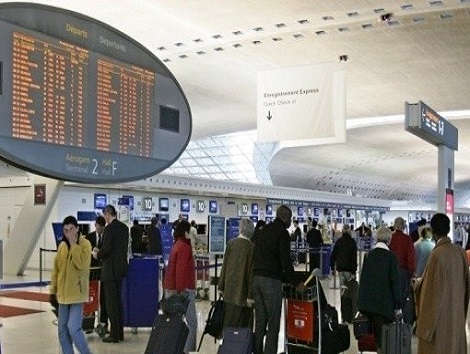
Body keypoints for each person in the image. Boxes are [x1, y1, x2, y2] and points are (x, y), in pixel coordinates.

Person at [252, 205, 305, 354]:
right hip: (271, 281)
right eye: (291, 218)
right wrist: (296, 283)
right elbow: (285, 262)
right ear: (285, 217)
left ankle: (257, 352)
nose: (291, 222)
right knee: (273, 323)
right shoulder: (282, 233)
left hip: (256, 279)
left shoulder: (263, 230)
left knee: (260, 322)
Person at [415, 213, 470, 354]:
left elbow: (430, 292)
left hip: (440, 322)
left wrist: (417, 286)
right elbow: (466, 287)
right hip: (456, 316)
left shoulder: (437, 254)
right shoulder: (460, 252)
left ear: (432, 231)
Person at [50, 215, 92, 354]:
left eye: (72, 229)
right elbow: (57, 269)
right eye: (66, 230)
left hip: (77, 294)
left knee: (74, 328)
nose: (69, 233)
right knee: (62, 331)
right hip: (63, 295)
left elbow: (82, 264)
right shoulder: (62, 246)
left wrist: (74, 245)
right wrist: (53, 290)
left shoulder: (85, 244)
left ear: (77, 228)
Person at [358, 226, 401, 352]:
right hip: (383, 305)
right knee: (383, 339)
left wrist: (360, 303)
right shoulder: (391, 257)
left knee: (374, 337)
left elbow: (363, 279)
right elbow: (395, 282)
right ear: (389, 240)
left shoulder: (369, 255)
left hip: (368, 304)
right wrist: (398, 306)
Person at [93, 205, 129, 343]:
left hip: (109, 271)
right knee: (118, 303)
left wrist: (97, 254)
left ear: (108, 214)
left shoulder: (109, 229)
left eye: (105, 215)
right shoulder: (124, 228)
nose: (105, 219)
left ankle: (114, 335)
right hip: (120, 270)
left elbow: (106, 249)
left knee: (111, 304)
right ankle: (119, 333)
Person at [163, 220, 197, 354]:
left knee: (174, 322)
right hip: (184, 289)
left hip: (171, 288)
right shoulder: (184, 247)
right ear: (186, 232)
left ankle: (174, 348)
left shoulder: (176, 244)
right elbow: (181, 271)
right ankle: (185, 350)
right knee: (193, 323)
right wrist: (180, 292)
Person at [219, 218, 255, 329]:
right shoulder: (252, 248)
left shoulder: (230, 243)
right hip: (242, 293)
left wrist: (221, 287)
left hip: (228, 291)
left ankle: (227, 345)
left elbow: (224, 267)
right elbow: (251, 273)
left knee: (228, 323)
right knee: (243, 328)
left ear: (240, 229)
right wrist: (250, 296)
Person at [388, 216, 416, 324]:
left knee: (391, 294)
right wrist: (411, 270)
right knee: (403, 296)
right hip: (403, 272)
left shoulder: (390, 238)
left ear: (395, 225)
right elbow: (411, 256)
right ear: (404, 227)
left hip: (391, 271)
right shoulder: (407, 239)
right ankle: (402, 320)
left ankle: (392, 319)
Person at [85, 215, 108, 335]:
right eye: (98, 229)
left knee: (104, 299)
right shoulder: (88, 238)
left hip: (103, 272)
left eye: (101, 229)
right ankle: (89, 324)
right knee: (90, 298)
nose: (99, 231)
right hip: (91, 272)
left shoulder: (107, 238)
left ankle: (104, 324)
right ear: (95, 226)